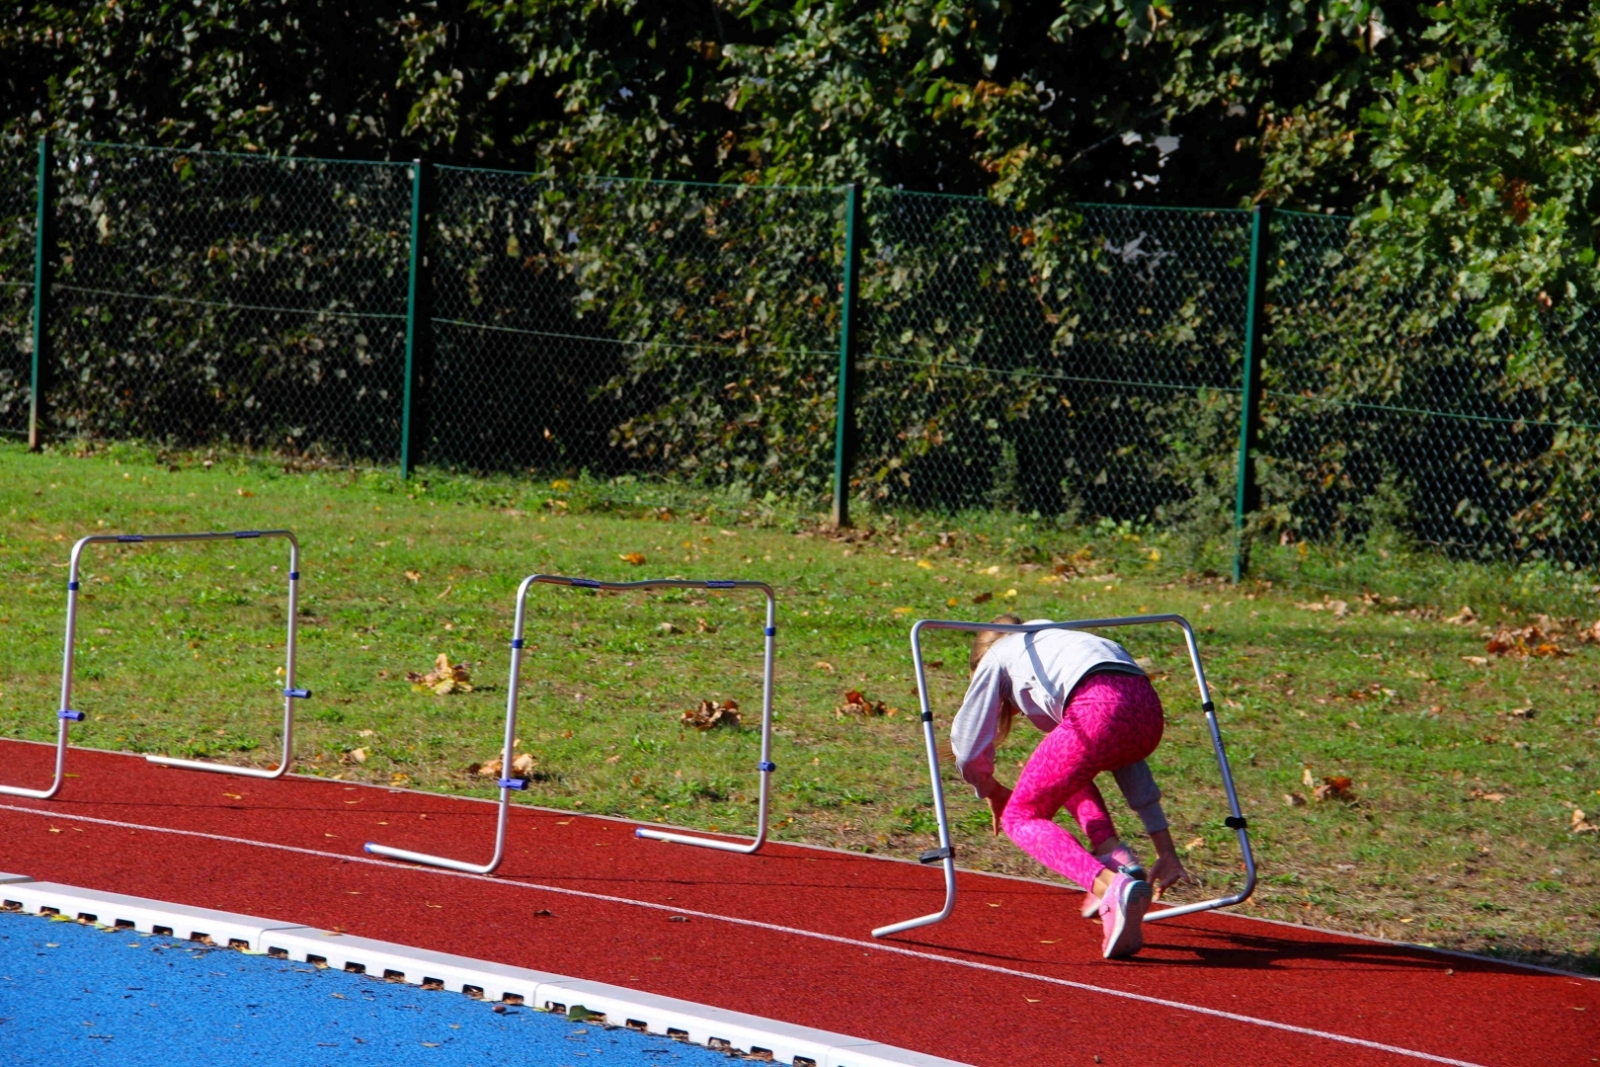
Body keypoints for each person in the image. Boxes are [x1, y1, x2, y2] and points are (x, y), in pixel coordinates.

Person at [949, 614, 1188, 959]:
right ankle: (1115, 856)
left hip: (1095, 708)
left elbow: (968, 748)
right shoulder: (1059, 644)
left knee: (1020, 818)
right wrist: (1165, 848)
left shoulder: (998, 656)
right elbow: (1130, 760)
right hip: (1149, 711)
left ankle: (1110, 886)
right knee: (1063, 767)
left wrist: (991, 790)